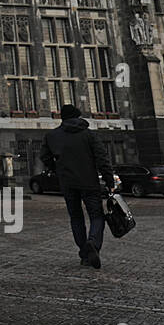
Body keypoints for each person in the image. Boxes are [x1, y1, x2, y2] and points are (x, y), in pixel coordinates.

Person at [41, 104, 116, 269]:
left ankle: (84, 253)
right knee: (97, 216)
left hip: (67, 183)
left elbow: (45, 158)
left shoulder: (51, 136)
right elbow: (102, 159)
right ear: (78, 116)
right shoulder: (89, 135)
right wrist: (110, 181)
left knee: (76, 218)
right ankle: (93, 243)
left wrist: (58, 170)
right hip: (89, 181)